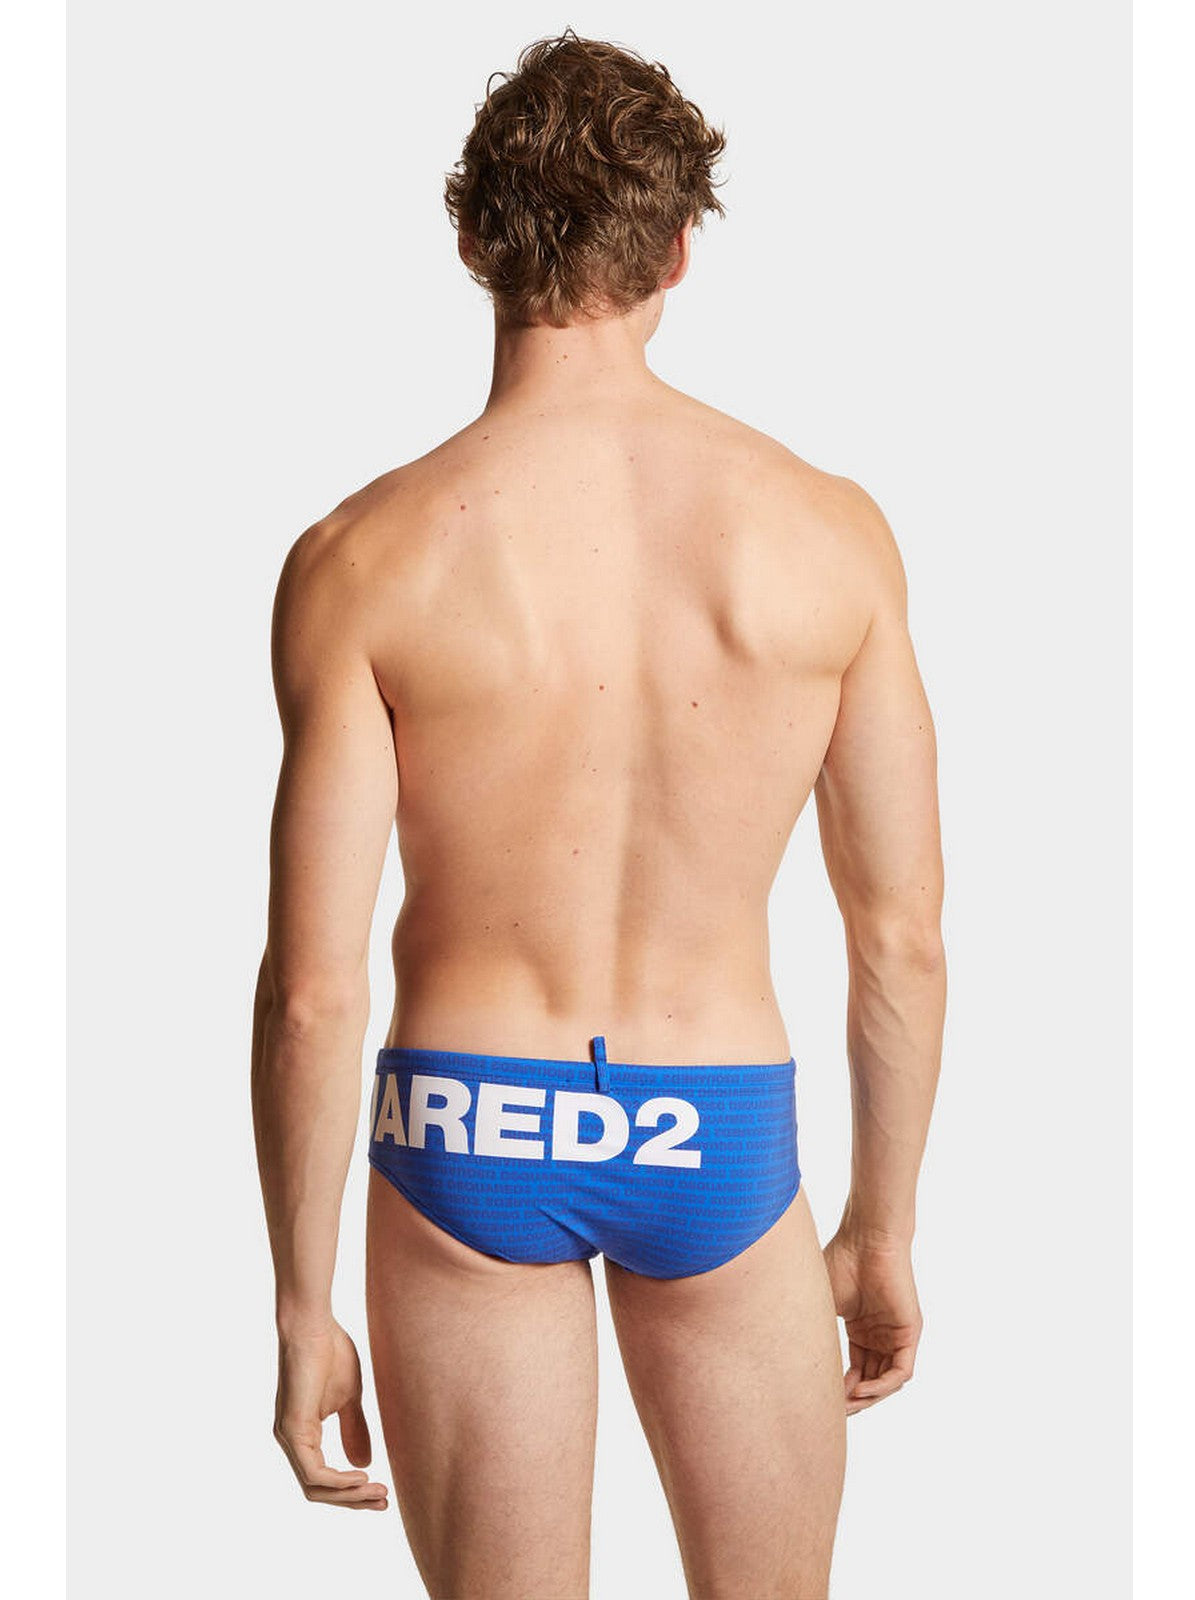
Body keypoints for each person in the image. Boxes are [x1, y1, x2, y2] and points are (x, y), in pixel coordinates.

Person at [251, 28, 946, 1600]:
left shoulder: (363, 557)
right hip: (718, 1125)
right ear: (680, 251)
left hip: (464, 1128)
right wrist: (883, 1224)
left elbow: (312, 988)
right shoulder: (829, 536)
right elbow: (898, 934)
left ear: (473, 240)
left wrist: (300, 1305)